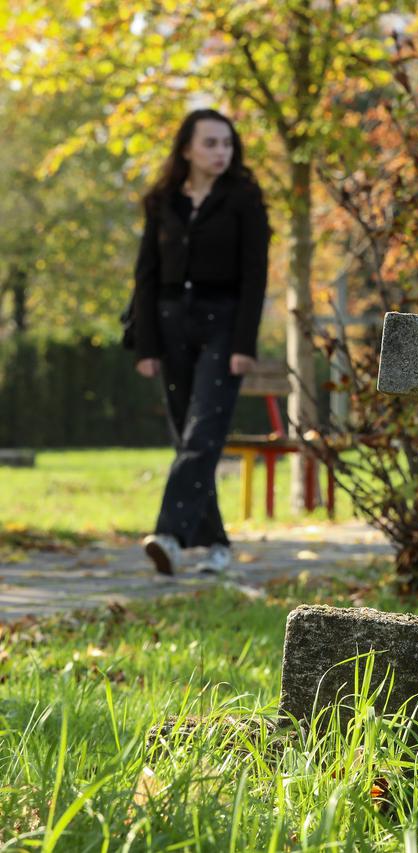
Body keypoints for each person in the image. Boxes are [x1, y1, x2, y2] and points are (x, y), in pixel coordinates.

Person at [130, 108, 271, 575]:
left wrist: (244, 345)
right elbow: (145, 275)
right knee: (188, 440)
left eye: (227, 144)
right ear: (187, 148)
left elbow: (255, 276)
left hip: (223, 324)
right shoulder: (162, 201)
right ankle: (216, 546)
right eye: (210, 143)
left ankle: (168, 536)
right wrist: (146, 345)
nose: (220, 152)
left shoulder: (245, 200)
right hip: (170, 327)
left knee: (202, 434)